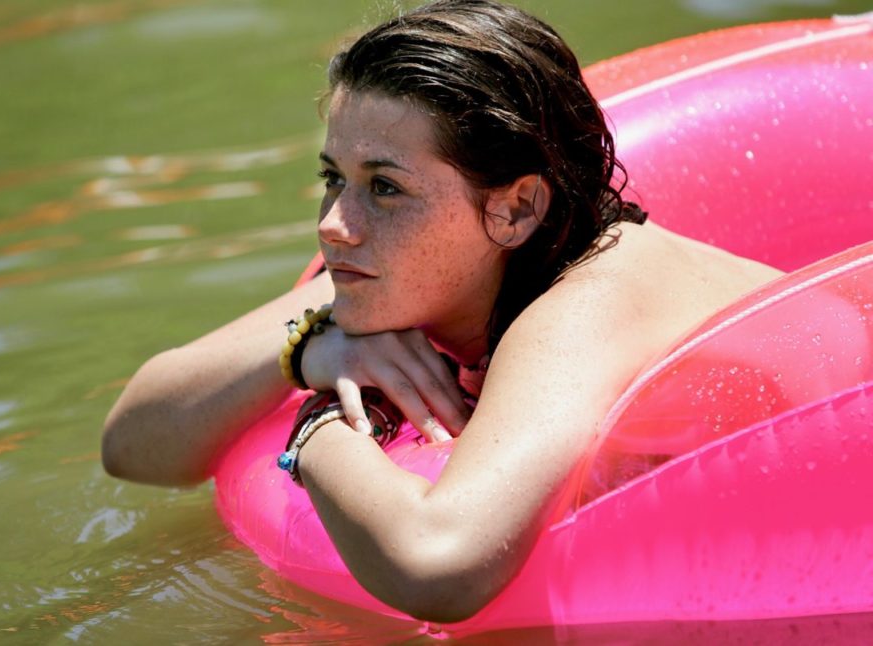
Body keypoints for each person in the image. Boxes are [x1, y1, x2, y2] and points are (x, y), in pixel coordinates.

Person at [101, 0, 781, 623]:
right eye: (334, 177)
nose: (333, 224)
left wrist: (320, 428)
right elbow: (132, 445)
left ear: (515, 209)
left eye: (385, 187)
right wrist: (312, 350)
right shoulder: (405, 267)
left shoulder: (590, 303)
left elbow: (439, 566)